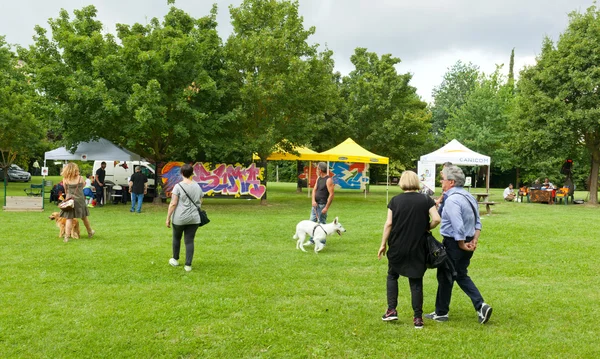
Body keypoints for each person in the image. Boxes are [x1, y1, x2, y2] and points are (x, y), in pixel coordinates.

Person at [425, 165, 492, 325]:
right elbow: (477, 221)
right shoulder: (469, 197)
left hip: (455, 243)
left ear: (452, 182)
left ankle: (475, 306)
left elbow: (458, 225)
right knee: (458, 274)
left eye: (443, 179)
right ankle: (445, 311)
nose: (441, 182)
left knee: (446, 275)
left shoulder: (453, 200)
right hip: (468, 241)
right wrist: (474, 239)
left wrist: (461, 243)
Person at [378, 171, 441, 329]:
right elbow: (437, 219)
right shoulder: (426, 200)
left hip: (397, 245)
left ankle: (392, 310)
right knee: (416, 281)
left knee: (392, 275)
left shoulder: (395, 201)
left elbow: (389, 224)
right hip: (418, 246)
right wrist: (427, 227)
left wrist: (383, 244)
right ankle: (418, 318)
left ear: (402, 182)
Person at [166, 163, 203, 272]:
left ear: (181, 173)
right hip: (194, 218)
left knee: (177, 238)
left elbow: (173, 203)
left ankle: (175, 259)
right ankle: (188, 265)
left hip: (179, 218)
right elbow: (201, 200)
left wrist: (168, 217)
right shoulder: (197, 186)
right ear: (192, 173)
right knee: (189, 240)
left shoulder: (178, 186)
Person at [59, 163, 95, 242]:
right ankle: (90, 232)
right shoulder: (81, 178)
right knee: (84, 217)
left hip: (69, 201)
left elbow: (66, 190)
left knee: (69, 218)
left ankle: (67, 237)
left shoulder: (65, 179)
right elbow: (82, 187)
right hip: (80, 200)